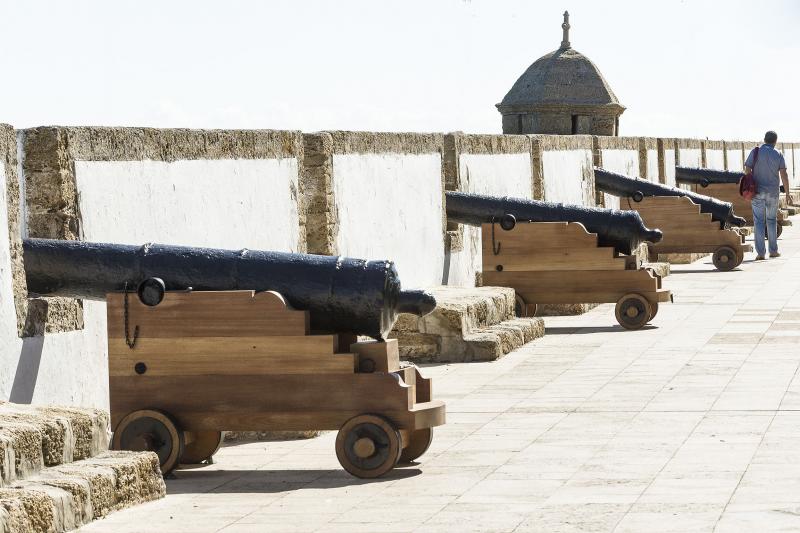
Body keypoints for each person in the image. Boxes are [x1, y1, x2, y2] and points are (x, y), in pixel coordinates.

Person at [744, 130, 792, 260]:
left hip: (757, 192)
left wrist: (750, 180)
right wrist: (787, 193)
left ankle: (760, 253)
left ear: (764, 139)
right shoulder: (778, 154)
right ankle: (773, 251)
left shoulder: (755, 151)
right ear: (775, 141)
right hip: (773, 193)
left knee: (758, 222)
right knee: (771, 221)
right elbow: (784, 175)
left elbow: (747, 168)